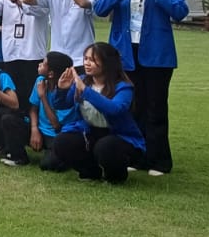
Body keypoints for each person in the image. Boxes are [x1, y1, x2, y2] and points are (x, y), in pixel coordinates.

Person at [93, 0, 188, 177]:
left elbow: (180, 12)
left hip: (157, 55)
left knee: (155, 107)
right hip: (125, 55)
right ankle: (135, 155)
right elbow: (100, 9)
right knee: (132, 107)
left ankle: (159, 160)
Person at [54, 42, 144, 184]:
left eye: (93, 60)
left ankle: (116, 176)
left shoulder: (123, 87)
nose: (87, 63)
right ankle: (90, 172)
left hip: (119, 136)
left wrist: (86, 91)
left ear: (107, 63)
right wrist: (62, 89)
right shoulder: (83, 81)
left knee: (105, 146)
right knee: (62, 142)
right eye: (86, 59)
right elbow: (61, 104)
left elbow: (114, 109)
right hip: (90, 132)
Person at [29, 51, 84, 172]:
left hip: (56, 134)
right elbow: (33, 109)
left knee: (48, 165)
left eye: (43, 64)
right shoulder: (40, 81)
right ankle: (18, 156)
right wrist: (34, 129)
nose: (39, 65)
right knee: (10, 121)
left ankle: (63, 156)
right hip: (39, 129)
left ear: (51, 73)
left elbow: (56, 125)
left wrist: (43, 96)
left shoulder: (67, 91)